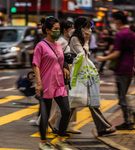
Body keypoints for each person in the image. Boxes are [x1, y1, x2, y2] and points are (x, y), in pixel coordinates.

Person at [69, 17, 116, 136]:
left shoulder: (79, 38)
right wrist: (86, 41)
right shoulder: (74, 39)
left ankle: (102, 127)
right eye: (86, 27)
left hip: (83, 73)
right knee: (75, 102)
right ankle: (102, 127)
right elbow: (82, 54)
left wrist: (86, 41)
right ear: (81, 28)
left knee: (77, 102)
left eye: (89, 28)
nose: (89, 30)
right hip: (78, 74)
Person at [32, 17, 71, 150]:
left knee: (66, 111)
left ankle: (60, 139)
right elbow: (36, 65)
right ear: (48, 30)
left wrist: (65, 66)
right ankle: (43, 142)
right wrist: (38, 83)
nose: (58, 31)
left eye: (58, 29)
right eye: (55, 29)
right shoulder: (40, 46)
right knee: (46, 114)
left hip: (59, 83)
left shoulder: (59, 45)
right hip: (46, 83)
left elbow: (60, 59)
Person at [97, 11, 135, 130]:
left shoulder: (120, 34)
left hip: (121, 68)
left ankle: (128, 121)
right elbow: (134, 54)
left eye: (113, 20)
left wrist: (103, 58)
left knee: (122, 97)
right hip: (129, 68)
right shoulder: (132, 34)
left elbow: (117, 53)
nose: (113, 23)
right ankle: (132, 116)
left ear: (118, 20)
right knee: (123, 96)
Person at [49, 20, 81, 134]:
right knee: (63, 100)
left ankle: (65, 123)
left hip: (71, 72)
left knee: (68, 99)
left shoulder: (70, 41)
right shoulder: (62, 42)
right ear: (65, 30)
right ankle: (53, 122)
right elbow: (56, 57)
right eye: (70, 28)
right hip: (63, 73)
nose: (73, 30)